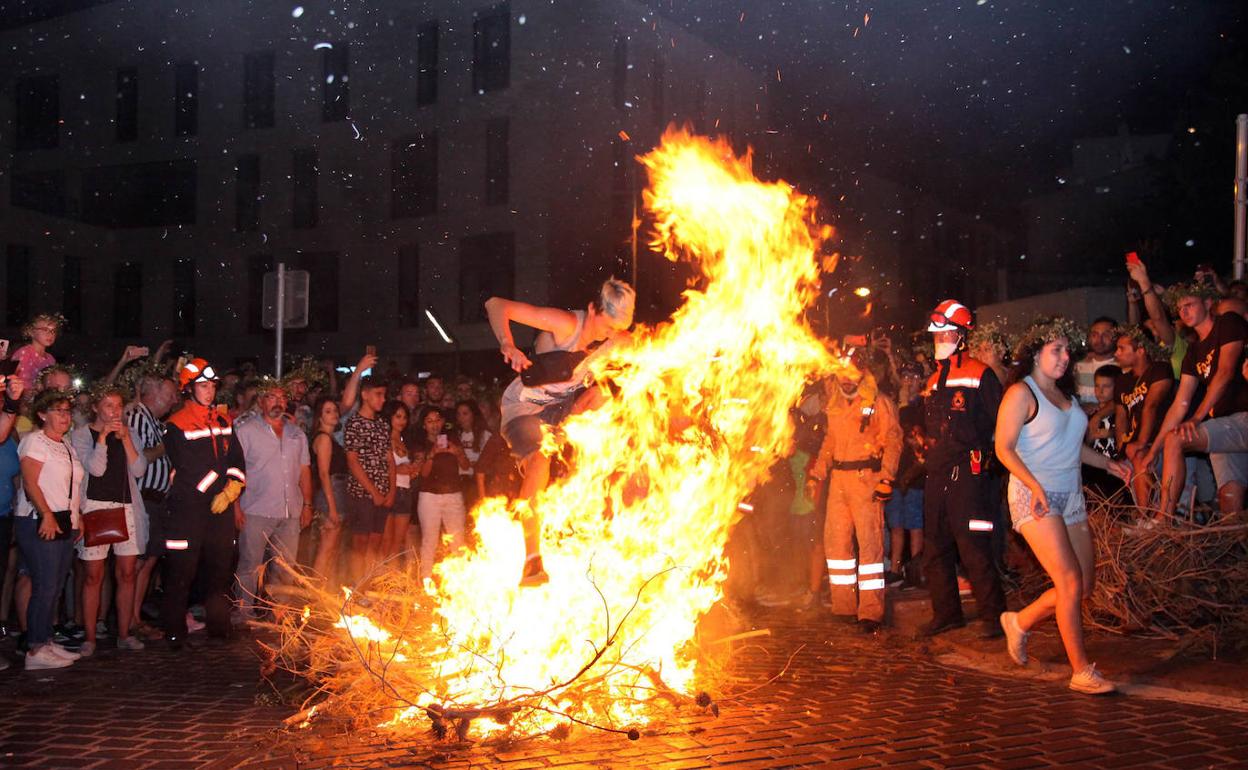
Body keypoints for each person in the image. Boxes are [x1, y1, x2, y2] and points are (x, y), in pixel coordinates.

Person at [995, 318, 1130, 695]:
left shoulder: (1066, 397)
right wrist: (1035, 486)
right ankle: (1081, 670)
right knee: (1068, 581)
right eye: (1056, 350)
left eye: (1067, 350)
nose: (1065, 357)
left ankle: (1019, 622)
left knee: (1083, 586)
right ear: (1036, 353)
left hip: (1069, 495)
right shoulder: (1022, 393)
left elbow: (1073, 448)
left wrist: (1109, 464)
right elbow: (1002, 448)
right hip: (1032, 495)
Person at [485, 278, 636, 585]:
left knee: (607, 395)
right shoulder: (565, 324)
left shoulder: (619, 340)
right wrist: (507, 344)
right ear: (593, 308)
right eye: (606, 327)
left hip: (563, 412)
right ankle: (531, 561)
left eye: (615, 331)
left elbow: (659, 353)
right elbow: (495, 304)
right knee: (539, 460)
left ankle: (581, 494)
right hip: (524, 410)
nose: (609, 336)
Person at [920, 299, 1007, 638]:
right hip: (938, 473)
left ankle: (993, 616)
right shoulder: (932, 380)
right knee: (935, 545)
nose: (938, 342)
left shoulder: (979, 374)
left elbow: (999, 423)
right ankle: (947, 614)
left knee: (973, 545)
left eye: (943, 336)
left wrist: (989, 466)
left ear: (960, 336)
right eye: (936, 337)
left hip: (969, 473)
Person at [1142, 282, 1248, 523]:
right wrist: (1154, 449)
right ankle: (1236, 556)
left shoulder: (1228, 324)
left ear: (1208, 303)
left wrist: (1197, 418)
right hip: (1224, 425)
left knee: (1177, 439)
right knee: (1229, 498)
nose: (1184, 311)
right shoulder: (1192, 352)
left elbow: (1225, 372)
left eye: (1189, 304)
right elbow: (1180, 403)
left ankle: (1163, 519)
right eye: (1179, 308)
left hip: (1242, 417)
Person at [805, 367, 901, 633]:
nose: (846, 381)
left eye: (851, 376)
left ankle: (870, 612)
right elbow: (830, 441)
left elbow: (893, 440)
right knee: (836, 546)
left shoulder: (878, 402)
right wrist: (817, 474)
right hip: (838, 480)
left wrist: (886, 477)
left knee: (870, 545)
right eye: (841, 376)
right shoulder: (835, 403)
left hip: (866, 480)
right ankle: (843, 606)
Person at [161, 359, 246, 649]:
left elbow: (235, 458)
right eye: (203, 386)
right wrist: (220, 485)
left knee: (221, 570)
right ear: (189, 389)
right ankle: (174, 631)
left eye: (212, 386)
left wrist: (234, 485)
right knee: (181, 572)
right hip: (188, 509)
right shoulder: (175, 425)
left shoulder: (224, 421)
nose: (209, 392)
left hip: (219, 510)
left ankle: (219, 628)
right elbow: (188, 468)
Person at [69, 385, 149, 655]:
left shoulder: (130, 433)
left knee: (127, 573)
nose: (115, 412)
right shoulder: (81, 435)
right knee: (93, 575)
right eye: (108, 406)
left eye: (118, 406)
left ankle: (124, 634)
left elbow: (139, 470)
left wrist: (125, 439)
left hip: (126, 507)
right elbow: (95, 469)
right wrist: (102, 439)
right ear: (95, 408)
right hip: (94, 508)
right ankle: (90, 637)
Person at [15, 389, 84, 670]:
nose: (65, 416)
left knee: (55, 584)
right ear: (43, 414)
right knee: (44, 584)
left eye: (68, 411)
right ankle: (34, 648)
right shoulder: (35, 441)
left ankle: (45, 639)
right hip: (39, 518)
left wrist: (78, 517)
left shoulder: (65, 444)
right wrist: (45, 514)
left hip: (64, 519)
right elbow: (30, 482)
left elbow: (72, 486)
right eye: (58, 411)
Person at [233, 380, 312, 622]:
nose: (277, 402)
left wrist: (307, 505)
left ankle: (277, 614)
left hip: (290, 511)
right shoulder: (246, 431)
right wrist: (235, 506)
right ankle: (243, 612)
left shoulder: (297, 434)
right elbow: (235, 471)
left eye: (281, 398)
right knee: (250, 564)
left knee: (285, 566)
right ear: (260, 402)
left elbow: (305, 471)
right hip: (256, 509)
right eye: (271, 397)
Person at [127, 373, 178, 641]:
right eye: (169, 395)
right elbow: (138, 457)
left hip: (157, 498)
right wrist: (167, 445)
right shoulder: (137, 416)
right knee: (140, 560)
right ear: (153, 393)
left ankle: (134, 616)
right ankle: (130, 619)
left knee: (150, 559)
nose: (173, 400)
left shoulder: (154, 420)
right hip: (144, 497)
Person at [1113, 326, 1174, 507]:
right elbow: (1121, 417)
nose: (1116, 353)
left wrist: (1140, 442)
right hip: (1132, 443)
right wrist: (1120, 448)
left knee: (1141, 457)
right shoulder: (1123, 380)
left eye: (1121, 348)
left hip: (1157, 439)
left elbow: (1151, 406)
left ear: (1140, 350)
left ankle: (1144, 517)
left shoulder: (1160, 370)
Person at [343, 376, 394, 581]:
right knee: (360, 543)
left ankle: (369, 585)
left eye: (384, 395)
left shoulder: (382, 424)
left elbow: (390, 460)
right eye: (378, 394)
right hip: (361, 494)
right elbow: (353, 462)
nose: (382, 399)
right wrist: (373, 492)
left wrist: (390, 491)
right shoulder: (354, 423)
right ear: (365, 395)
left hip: (382, 494)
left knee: (376, 542)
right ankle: (356, 587)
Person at [413, 406, 469, 581]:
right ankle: (426, 580)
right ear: (424, 425)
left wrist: (457, 452)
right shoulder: (420, 444)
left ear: (443, 422)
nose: (434, 425)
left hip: (453, 495)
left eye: (437, 420)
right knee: (430, 541)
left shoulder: (452, 439)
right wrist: (432, 454)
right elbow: (423, 474)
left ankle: (460, 583)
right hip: (430, 497)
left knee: (458, 541)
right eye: (429, 421)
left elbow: (466, 466)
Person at [310, 396, 349, 582]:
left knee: (331, 548)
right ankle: (315, 595)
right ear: (319, 416)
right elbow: (324, 473)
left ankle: (323, 591)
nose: (334, 414)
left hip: (337, 491)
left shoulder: (329, 437)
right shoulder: (324, 439)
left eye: (335, 410)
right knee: (326, 548)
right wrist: (332, 508)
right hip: (331, 492)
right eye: (328, 411)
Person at [379, 400, 417, 564]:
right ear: (389, 417)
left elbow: (404, 469)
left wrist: (412, 470)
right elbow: (378, 468)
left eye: (404, 417)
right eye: (398, 417)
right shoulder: (383, 439)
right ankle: (377, 579)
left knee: (397, 543)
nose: (402, 421)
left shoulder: (403, 441)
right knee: (385, 541)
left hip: (405, 492)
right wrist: (396, 469)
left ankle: (391, 581)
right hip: (389, 491)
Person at [1073, 316, 1118, 411]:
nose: (1099, 340)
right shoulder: (1077, 367)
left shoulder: (1122, 367)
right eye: (1094, 335)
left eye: (1106, 335)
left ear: (1116, 337)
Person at [9, 313, 61, 393]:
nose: (50, 334)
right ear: (31, 332)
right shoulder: (24, 353)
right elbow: (14, 381)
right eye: (45, 329)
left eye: (53, 331)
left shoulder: (51, 359)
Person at [453, 399, 490, 511]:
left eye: (465, 414)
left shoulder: (484, 435)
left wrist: (475, 464)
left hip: (475, 481)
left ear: (473, 414)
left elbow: (487, 461)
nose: (461, 417)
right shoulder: (456, 435)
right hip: (457, 481)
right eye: (459, 414)